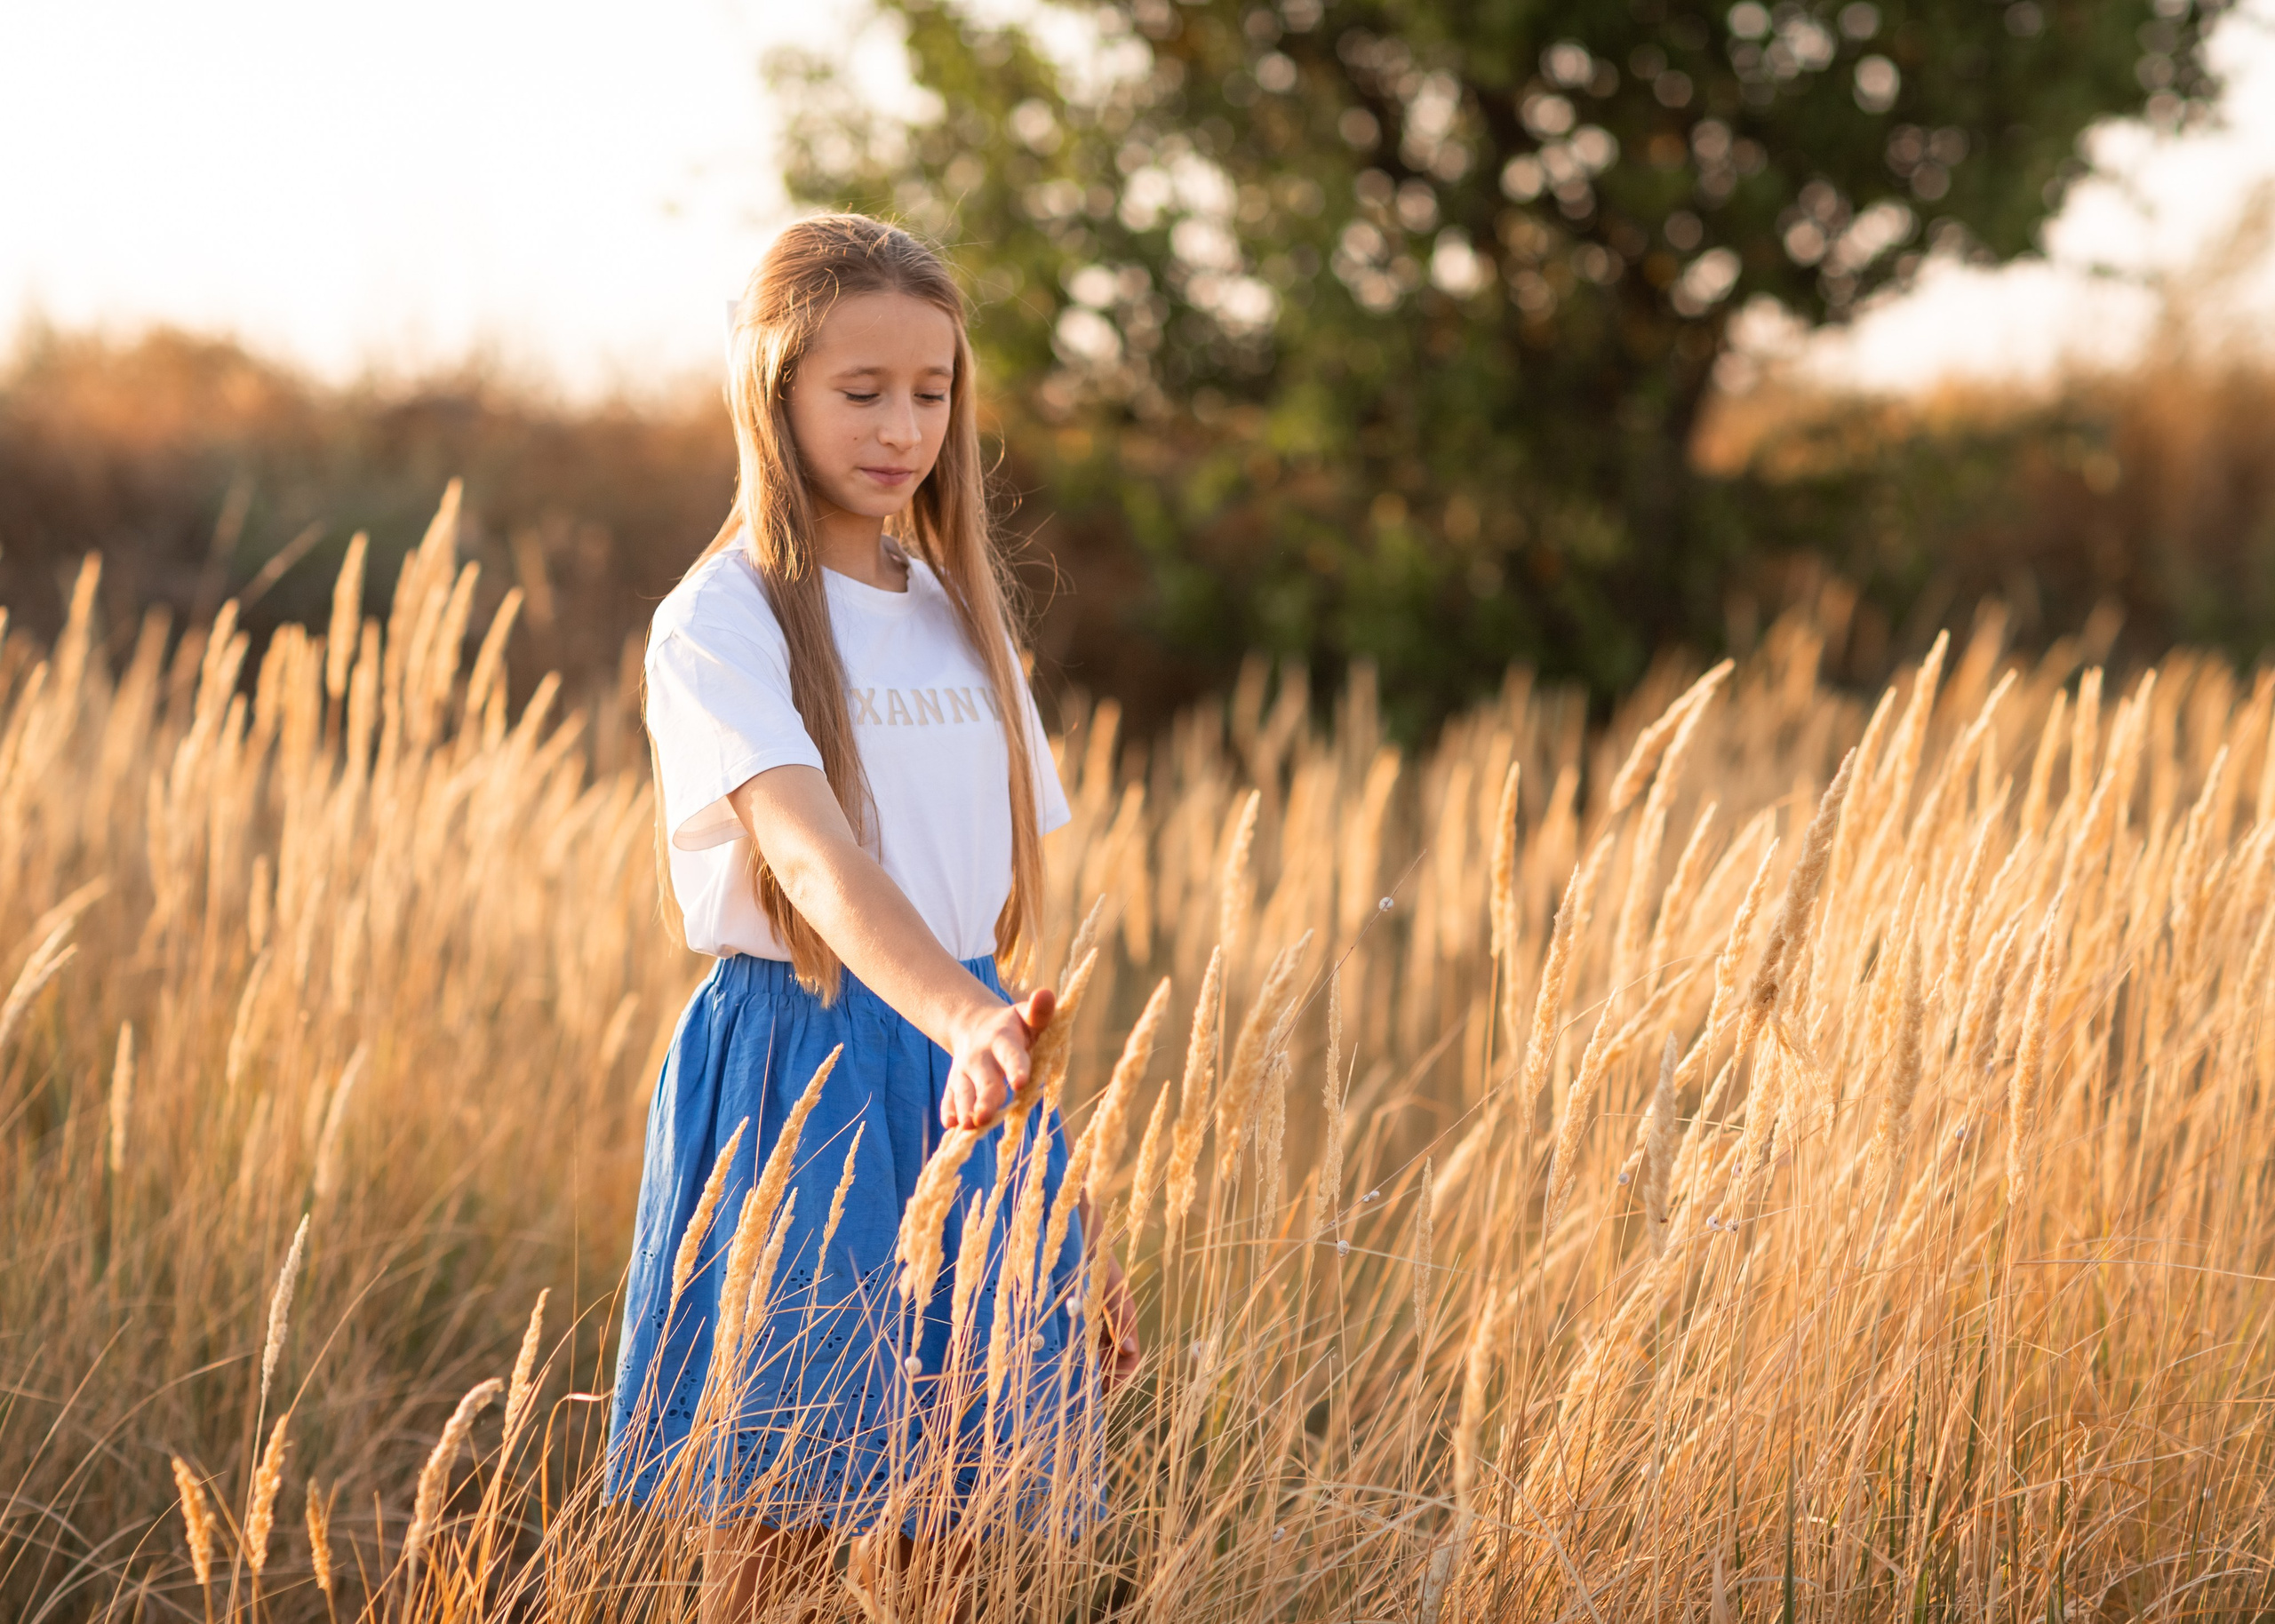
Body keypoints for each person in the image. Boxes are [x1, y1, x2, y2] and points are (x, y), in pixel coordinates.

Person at [605, 213, 1139, 1616]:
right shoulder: (724, 619)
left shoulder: (964, 613)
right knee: (778, 1526)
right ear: (773, 391)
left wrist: (1060, 1199)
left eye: (932, 390)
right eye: (860, 391)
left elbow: (989, 913)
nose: (902, 425)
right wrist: (965, 1018)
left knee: (959, 1538)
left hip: (973, 1074)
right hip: (803, 1063)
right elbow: (819, 859)